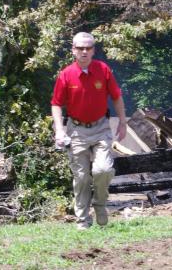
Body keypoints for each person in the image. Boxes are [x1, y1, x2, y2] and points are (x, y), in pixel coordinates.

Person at [51, 32, 127, 229]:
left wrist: (122, 122)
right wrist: (59, 130)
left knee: (103, 170)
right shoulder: (66, 74)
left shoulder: (103, 69)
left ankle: (100, 203)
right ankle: (83, 220)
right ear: (73, 50)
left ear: (93, 50)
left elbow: (117, 96)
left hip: (101, 127)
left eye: (88, 48)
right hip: (76, 131)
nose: (84, 51)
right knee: (82, 177)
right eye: (80, 48)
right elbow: (56, 104)